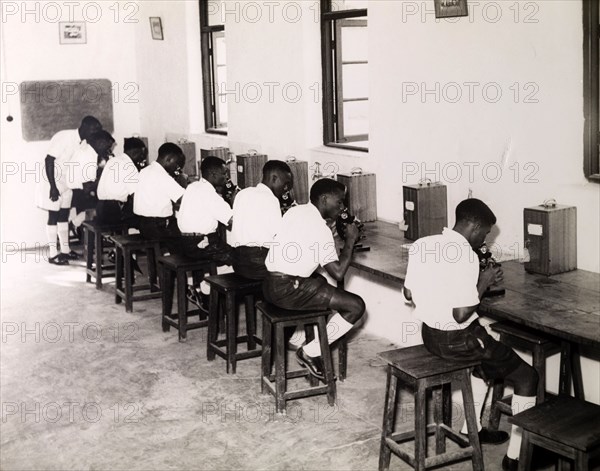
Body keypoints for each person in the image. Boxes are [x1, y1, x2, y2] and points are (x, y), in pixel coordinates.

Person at [403, 198, 538, 471]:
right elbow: (461, 314)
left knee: (485, 356)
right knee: (528, 376)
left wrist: (473, 287)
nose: (483, 239)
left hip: (430, 336)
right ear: (474, 225)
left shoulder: (423, 244)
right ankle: (516, 457)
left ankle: (472, 428)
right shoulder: (465, 254)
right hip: (457, 341)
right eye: (485, 233)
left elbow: (409, 293)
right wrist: (484, 282)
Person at [263, 178, 366, 381]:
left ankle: (299, 335)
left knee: (319, 280)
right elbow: (338, 273)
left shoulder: (295, 211)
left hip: (268, 284)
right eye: (339, 202)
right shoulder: (321, 230)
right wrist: (351, 240)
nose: (342, 207)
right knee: (355, 306)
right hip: (288, 290)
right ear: (325, 199)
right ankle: (310, 351)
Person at [35, 116, 102, 265]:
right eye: (93, 129)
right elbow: (49, 160)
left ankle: (65, 250)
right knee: (53, 215)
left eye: (97, 130)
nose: (95, 133)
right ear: (84, 126)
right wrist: (53, 186)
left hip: (67, 183)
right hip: (51, 180)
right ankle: (53, 255)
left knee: (64, 215)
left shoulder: (84, 143)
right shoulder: (64, 136)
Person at [177, 156, 236, 309]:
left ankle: (199, 285)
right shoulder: (211, 195)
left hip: (185, 243)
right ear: (213, 174)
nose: (227, 177)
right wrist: (235, 199)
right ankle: (206, 289)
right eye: (224, 173)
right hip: (203, 245)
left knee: (228, 253)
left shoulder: (192, 187)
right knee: (241, 258)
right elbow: (232, 221)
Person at [230, 160, 293, 280]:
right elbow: (278, 236)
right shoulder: (271, 199)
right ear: (274, 178)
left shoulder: (242, 193)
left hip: (237, 262)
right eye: (285, 183)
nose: (286, 188)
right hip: (258, 264)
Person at [133, 142, 186, 252]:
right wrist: (184, 182)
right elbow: (184, 199)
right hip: (159, 227)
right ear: (168, 159)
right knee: (188, 244)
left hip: (143, 225)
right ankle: (174, 267)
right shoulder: (162, 176)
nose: (177, 168)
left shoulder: (144, 171)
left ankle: (162, 266)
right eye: (176, 164)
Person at [96, 137, 147, 226]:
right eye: (141, 154)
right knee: (147, 221)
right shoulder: (129, 166)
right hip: (114, 211)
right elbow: (136, 195)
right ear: (135, 152)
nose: (142, 158)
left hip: (100, 209)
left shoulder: (112, 160)